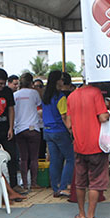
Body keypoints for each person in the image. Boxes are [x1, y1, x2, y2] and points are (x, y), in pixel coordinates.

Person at [66, 81, 110, 218]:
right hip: (96, 145)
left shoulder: (71, 96)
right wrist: (108, 110)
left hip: (79, 145)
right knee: (95, 182)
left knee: (80, 182)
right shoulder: (95, 93)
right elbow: (102, 117)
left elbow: (68, 124)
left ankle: (81, 214)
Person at [42, 70, 73, 198]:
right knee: (71, 159)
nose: (62, 81)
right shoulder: (60, 97)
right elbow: (64, 116)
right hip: (59, 130)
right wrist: (71, 131)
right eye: (61, 79)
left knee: (55, 160)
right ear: (57, 81)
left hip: (47, 131)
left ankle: (56, 188)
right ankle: (64, 186)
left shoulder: (45, 97)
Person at [0, 69, 20, 192]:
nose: (2, 86)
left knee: (12, 156)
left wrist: (11, 128)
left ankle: (14, 184)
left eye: (4, 84)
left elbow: (11, 109)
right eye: (0, 84)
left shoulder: (8, 92)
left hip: (5, 129)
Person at [13, 72, 42, 192]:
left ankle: (25, 184)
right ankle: (34, 183)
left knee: (23, 158)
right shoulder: (34, 93)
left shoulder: (15, 95)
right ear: (31, 82)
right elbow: (39, 105)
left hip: (19, 129)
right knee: (34, 158)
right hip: (33, 128)